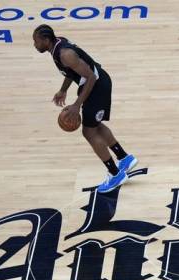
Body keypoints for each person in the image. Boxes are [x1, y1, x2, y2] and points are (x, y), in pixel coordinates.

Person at [32, 24, 137, 193]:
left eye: (36, 41)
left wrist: (76, 105)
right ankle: (125, 158)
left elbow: (91, 76)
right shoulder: (57, 47)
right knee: (94, 125)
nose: (34, 45)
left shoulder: (65, 54)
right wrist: (63, 90)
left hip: (97, 86)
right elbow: (71, 72)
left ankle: (115, 174)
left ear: (46, 40)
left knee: (88, 132)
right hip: (92, 85)